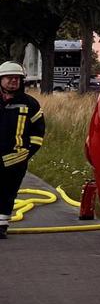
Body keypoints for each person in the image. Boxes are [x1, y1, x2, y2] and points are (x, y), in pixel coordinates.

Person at [0, 60, 46, 239]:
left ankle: (2, 225)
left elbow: (38, 133)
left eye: (17, 78)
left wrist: (26, 154)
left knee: (8, 192)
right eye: (9, 78)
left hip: (15, 159)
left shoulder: (30, 104)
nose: (13, 81)